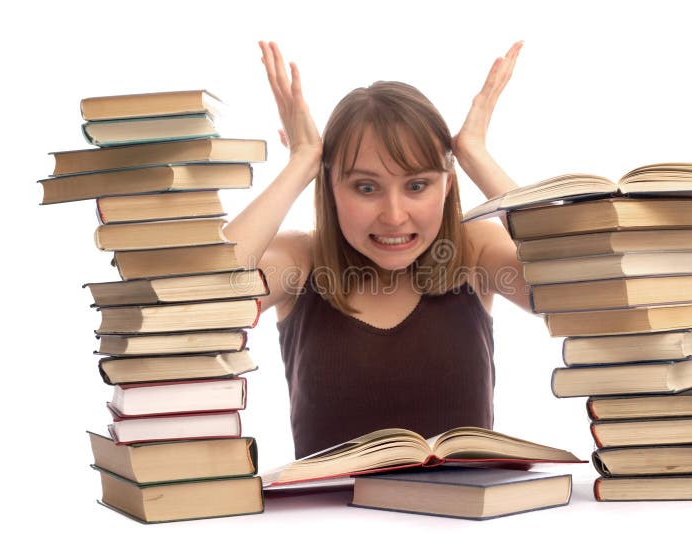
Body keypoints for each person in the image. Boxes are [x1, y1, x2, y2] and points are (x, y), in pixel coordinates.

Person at [224, 41, 530, 459]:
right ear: (330, 189)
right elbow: (208, 290)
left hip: (456, 524)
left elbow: (571, 292)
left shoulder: (473, 250)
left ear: (448, 184)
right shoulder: (300, 261)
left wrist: (475, 155)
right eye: (366, 188)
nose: (394, 215)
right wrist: (302, 163)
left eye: (417, 185)